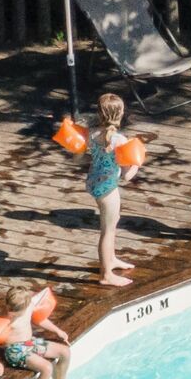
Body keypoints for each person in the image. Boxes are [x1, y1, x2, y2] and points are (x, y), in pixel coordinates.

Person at [77, 89, 136, 286]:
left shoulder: (91, 133)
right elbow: (127, 175)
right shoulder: (119, 140)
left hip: (94, 181)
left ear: (99, 113)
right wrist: (138, 162)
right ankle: (106, 275)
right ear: (121, 114)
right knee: (108, 230)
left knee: (113, 220)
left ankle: (111, 259)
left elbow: (78, 157)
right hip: (108, 188)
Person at [0, 282, 71, 379]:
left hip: (29, 343)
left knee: (65, 352)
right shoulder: (3, 318)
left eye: (15, 312)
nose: (10, 312)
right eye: (9, 309)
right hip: (14, 350)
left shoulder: (30, 305)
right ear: (6, 304)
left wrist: (57, 331)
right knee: (46, 368)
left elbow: (39, 320)